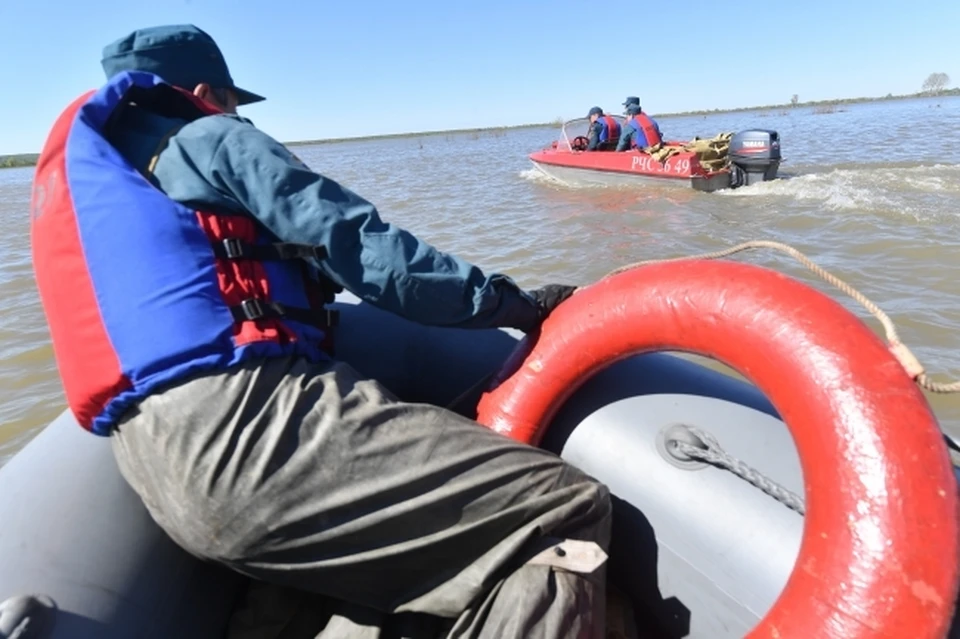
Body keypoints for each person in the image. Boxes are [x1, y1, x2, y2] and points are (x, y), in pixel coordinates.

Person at [30, 24, 612, 639]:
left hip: (155, 469)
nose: (231, 114)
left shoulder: (104, 179)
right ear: (205, 91)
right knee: (560, 509)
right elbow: (367, 252)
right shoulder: (209, 137)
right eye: (229, 101)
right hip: (254, 426)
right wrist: (513, 306)